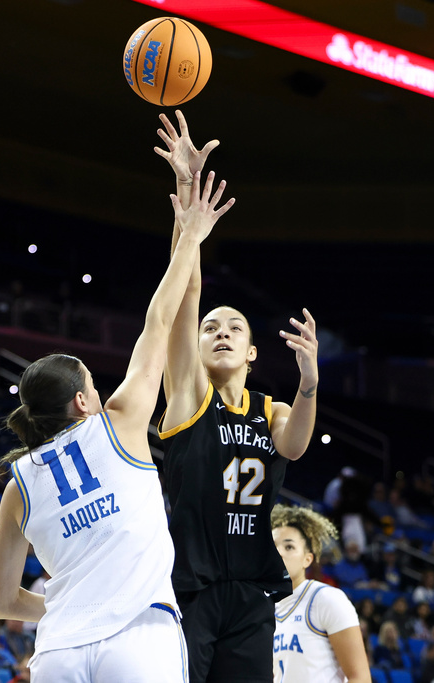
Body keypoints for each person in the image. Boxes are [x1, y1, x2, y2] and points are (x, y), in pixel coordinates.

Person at [0, 167, 232, 683]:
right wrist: (190, 233)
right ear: (81, 401)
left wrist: (70, 610)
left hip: (57, 652)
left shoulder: (18, 487)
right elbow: (161, 320)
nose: (102, 394)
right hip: (140, 635)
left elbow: (3, 602)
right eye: (94, 386)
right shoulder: (119, 424)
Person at [153, 111, 318, 683]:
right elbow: (186, 293)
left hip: (251, 590)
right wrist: (186, 196)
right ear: (197, 349)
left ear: (251, 352)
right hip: (189, 589)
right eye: (211, 328)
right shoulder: (189, 398)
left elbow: (294, 448)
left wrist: (310, 382)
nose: (220, 331)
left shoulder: (268, 409)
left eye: (235, 328)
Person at [270, 504, 369, 683]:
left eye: (289, 547)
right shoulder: (264, 608)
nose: (279, 553)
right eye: (274, 546)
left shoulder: (326, 599)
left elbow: (359, 677)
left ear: (308, 559)